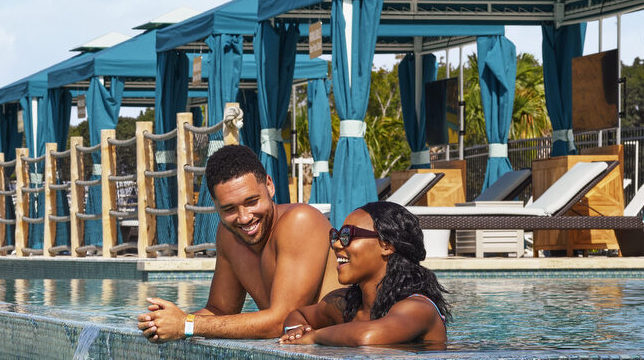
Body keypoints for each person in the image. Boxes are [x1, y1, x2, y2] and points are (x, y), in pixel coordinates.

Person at [138, 143, 339, 342]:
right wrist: (164, 322)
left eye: (251, 202)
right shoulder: (229, 235)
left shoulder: (300, 222)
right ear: (215, 206)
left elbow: (283, 322)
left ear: (269, 185)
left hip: (339, 352)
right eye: (229, 209)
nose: (244, 218)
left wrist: (188, 325)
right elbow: (220, 310)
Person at [280, 201, 448, 348]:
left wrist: (314, 336)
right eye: (336, 236)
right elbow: (298, 315)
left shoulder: (418, 308)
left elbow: (367, 337)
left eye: (347, 235)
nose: (337, 244)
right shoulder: (344, 305)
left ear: (386, 245)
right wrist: (295, 330)